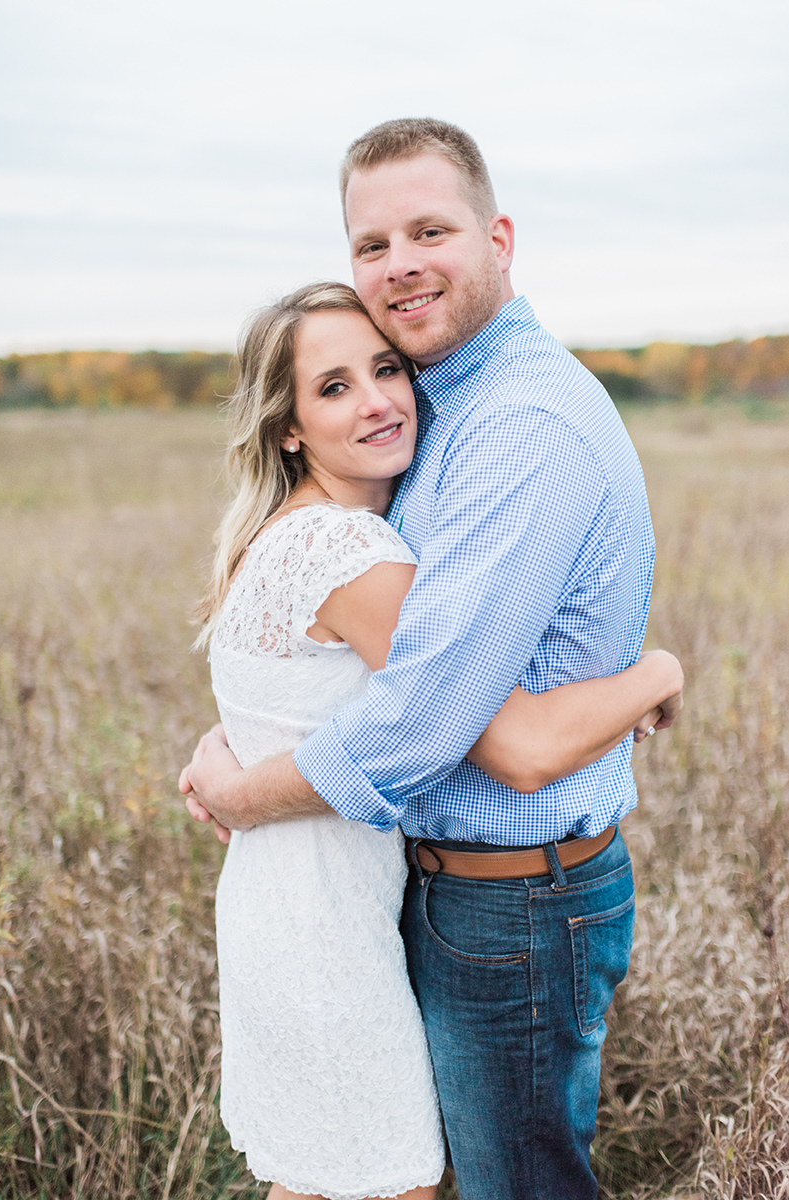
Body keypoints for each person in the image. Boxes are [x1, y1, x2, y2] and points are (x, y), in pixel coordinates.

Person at [181, 119, 681, 1200]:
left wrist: (242, 784)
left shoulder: (517, 425)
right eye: (372, 244)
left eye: (430, 229)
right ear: (289, 429)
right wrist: (652, 676)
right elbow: (403, 696)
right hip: (409, 896)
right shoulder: (433, 417)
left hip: (516, 904)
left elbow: (458, 730)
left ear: (498, 236)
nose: (399, 263)